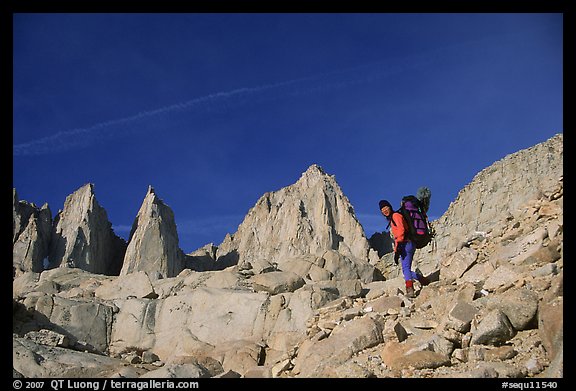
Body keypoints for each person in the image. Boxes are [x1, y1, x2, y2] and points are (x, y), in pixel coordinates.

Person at [379, 199, 429, 298]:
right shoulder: (393, 217)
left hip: (406, 243)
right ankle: (424, 280)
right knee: (406, 269)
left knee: (406, 268)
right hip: (407, 243)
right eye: (382, 209)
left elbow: (401, 231)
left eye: (386, 207)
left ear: (390, 207)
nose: (384, 210)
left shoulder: (395, 216)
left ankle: (410, 290)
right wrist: (397, 249)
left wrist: (399, 245)